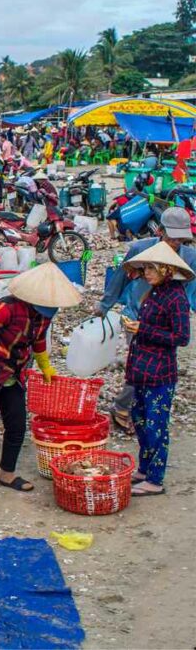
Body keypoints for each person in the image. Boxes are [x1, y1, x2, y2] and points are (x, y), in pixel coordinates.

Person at [0, 263, 81, 513]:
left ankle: (7, 474)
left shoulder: (44, 316)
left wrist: (46, 366)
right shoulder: (6, 308)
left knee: (16, 426)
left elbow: (37, 342)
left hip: (15, 373)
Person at [96, 207, 196, 429]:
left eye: (180, 239)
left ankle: (135, 407)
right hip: (136, 317)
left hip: (168, 324)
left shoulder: (190, 258)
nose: (175, 243)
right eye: (171, 238)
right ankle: (126, 408)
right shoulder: (140, 249)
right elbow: (121, 278)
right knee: (143, 364)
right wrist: (104, 305)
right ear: (159, 231)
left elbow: (192, 291)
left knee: (156, 367)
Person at [120, 243, 193, 497]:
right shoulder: (154, 292)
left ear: (165, 269)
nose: (146, 272)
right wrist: (136, 327)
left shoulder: (176, 297)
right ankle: (144, 468)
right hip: (141, 368)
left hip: (160, 373)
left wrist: (143, 330)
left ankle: (155, 479)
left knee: (156, 426)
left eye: (151, 268)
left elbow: (182, 337)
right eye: (145, 268)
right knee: (139, 421)